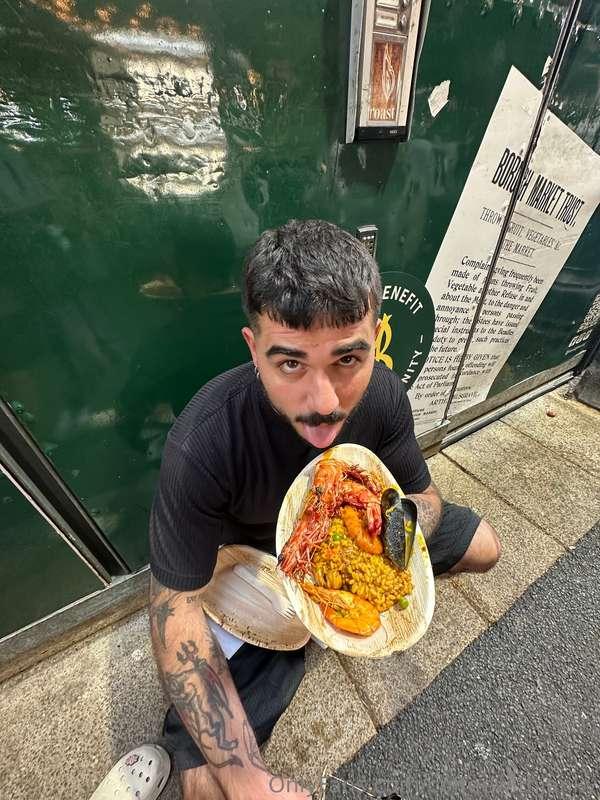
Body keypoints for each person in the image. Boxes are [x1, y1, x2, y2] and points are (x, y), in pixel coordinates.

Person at [149, 219, 501, 800]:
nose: (325, 402)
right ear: (253, 348)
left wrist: (391, 540)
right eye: (289, 363)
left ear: (375, 339)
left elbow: (426, 497)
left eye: (347, 360)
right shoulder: (205, 439)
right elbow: (174, 611)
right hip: (261, 565)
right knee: (203, 786)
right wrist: (246, 778)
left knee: (487, 546)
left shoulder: (383, 393)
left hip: (368, 519)